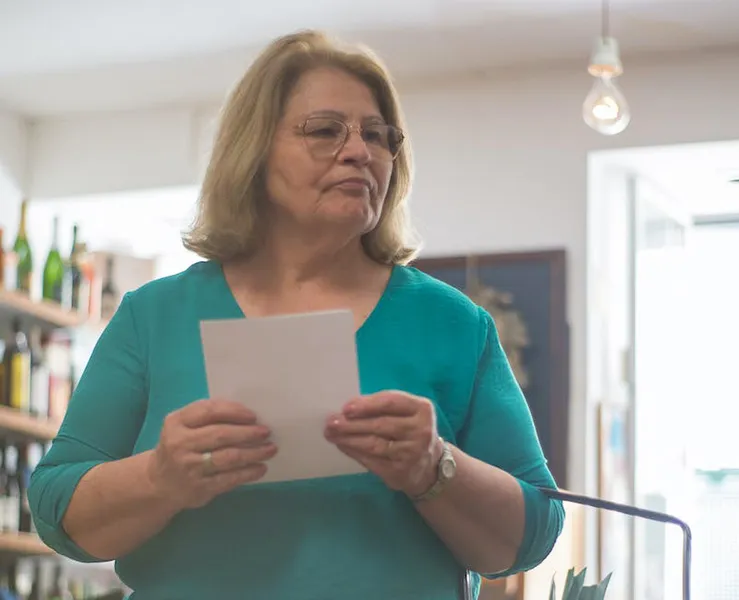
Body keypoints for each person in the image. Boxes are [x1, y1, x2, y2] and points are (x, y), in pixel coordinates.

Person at [28, 29, 564, 600]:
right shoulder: (153, 317)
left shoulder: (457, 326)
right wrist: (161, 476)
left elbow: (534, 531)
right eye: (327, 130)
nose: (361, 150)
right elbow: (58, 511)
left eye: (379, 136)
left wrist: (434, 468)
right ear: (254, 151)